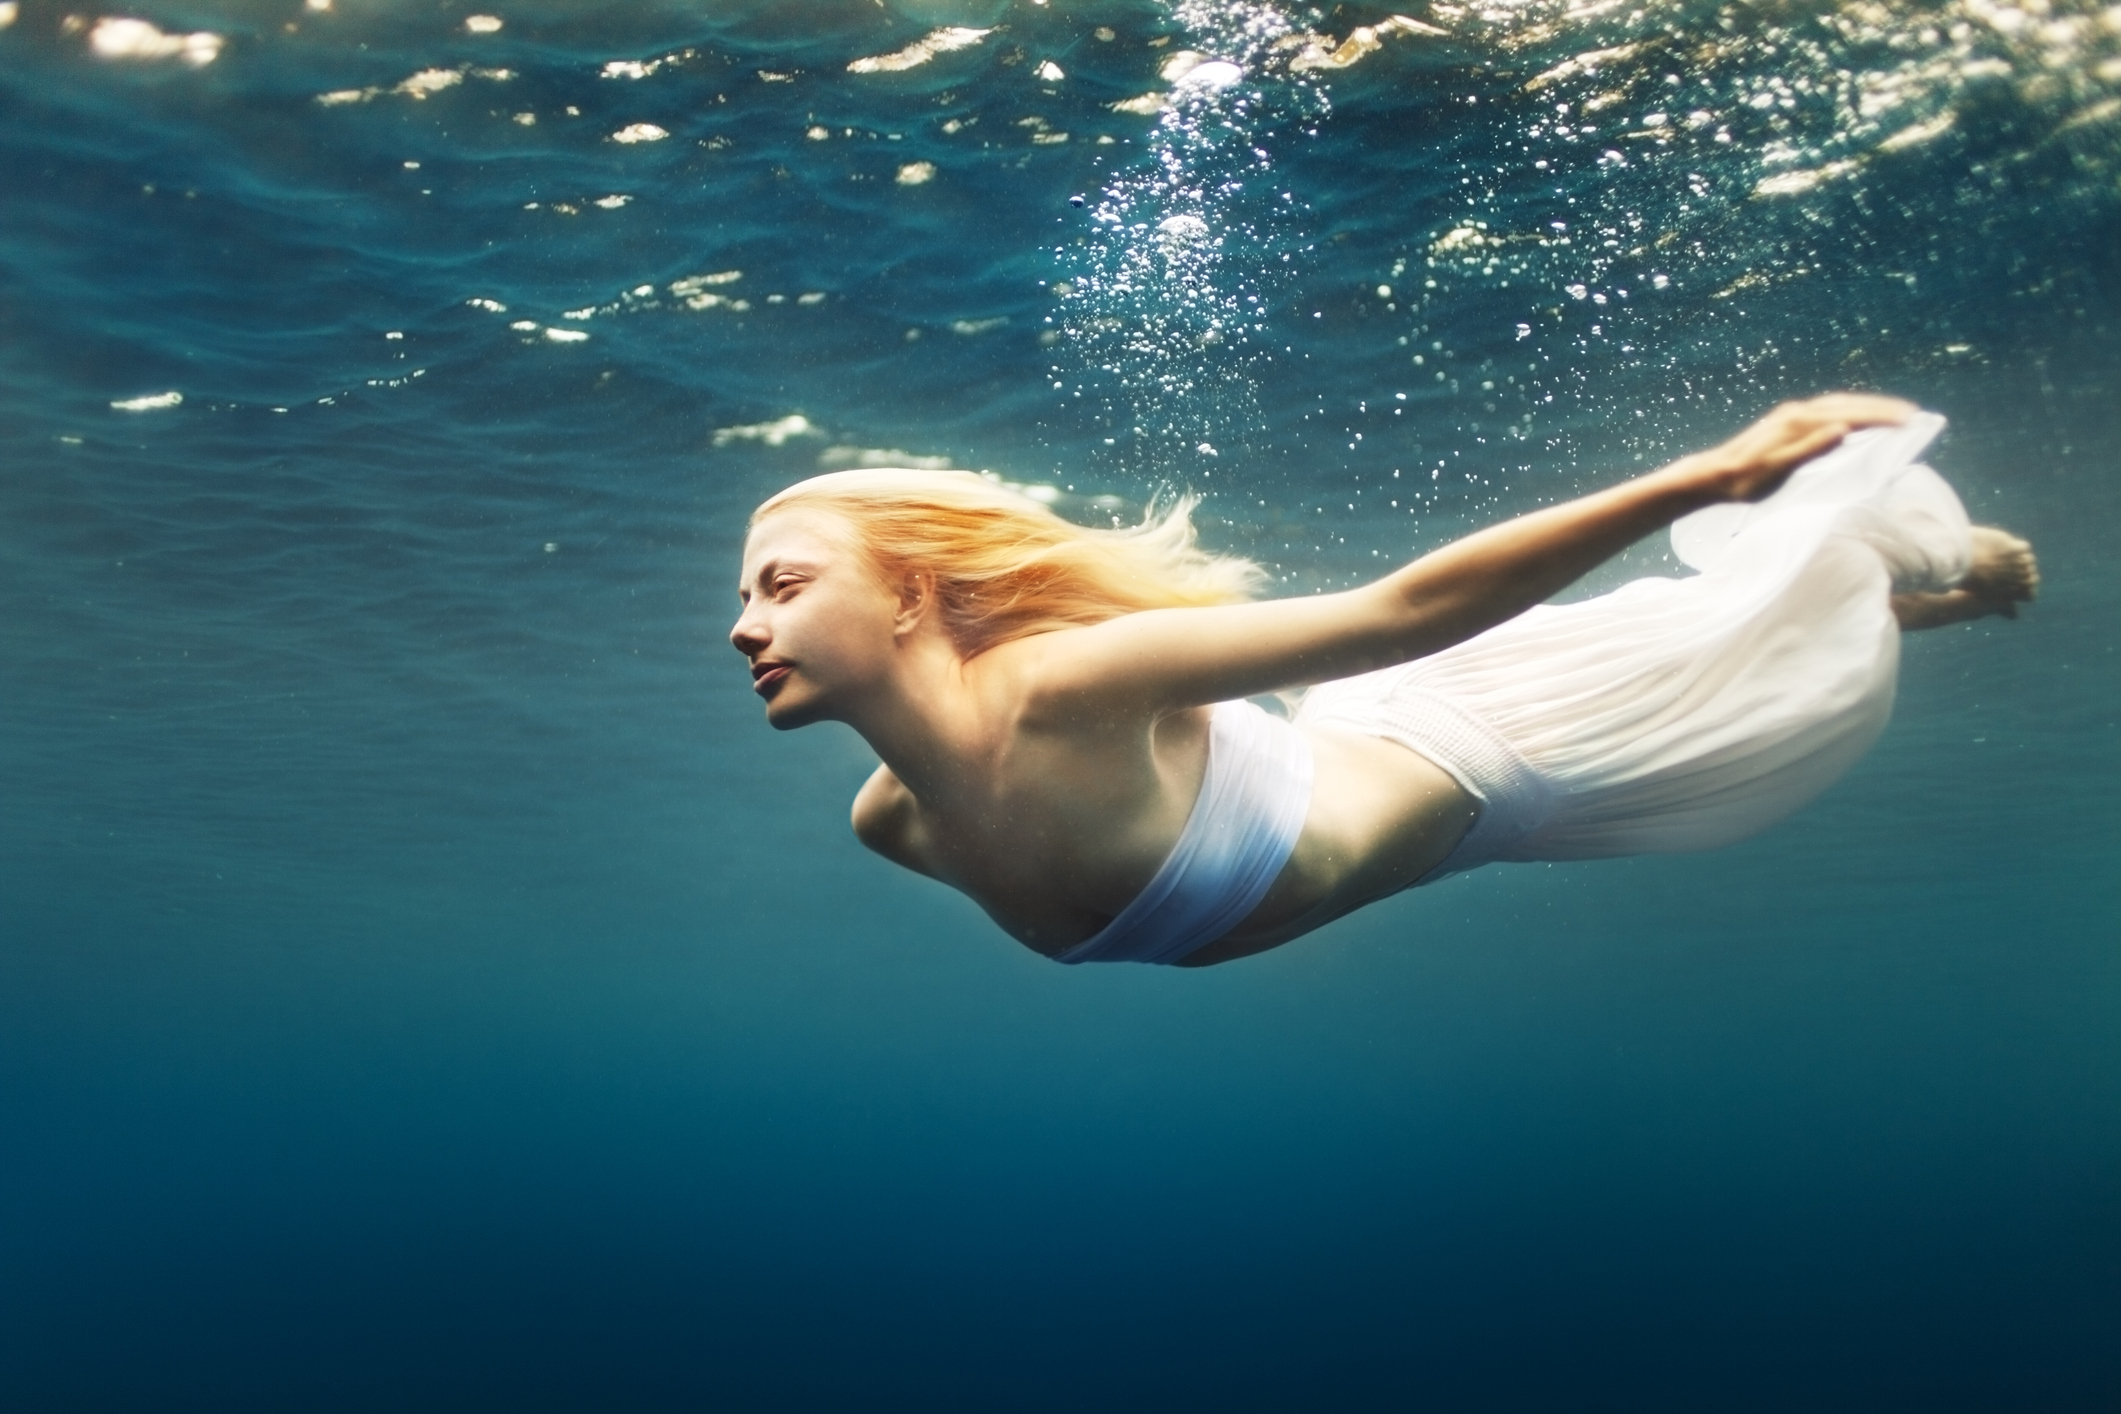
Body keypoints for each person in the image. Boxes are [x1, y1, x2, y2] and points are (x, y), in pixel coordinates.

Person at [729, 395, 2038, 967]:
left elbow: (1398, 611)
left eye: (780, 585)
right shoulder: (892, 825)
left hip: (1483, 748)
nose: (742, 625)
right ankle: (1902, 592)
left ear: (908, 596)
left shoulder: (1063, 685)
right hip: (1348, 746)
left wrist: (1702, 478)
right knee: (1717, 644)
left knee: (1725, 645)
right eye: (745, 594)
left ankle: (1930, 584)